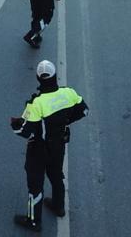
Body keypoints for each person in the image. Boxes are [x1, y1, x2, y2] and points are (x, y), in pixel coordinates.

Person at [11, 60, 89, 231]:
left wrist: (15, 124)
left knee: (35, 186)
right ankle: (58, 206)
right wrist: (66, 121)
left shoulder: (36, 103)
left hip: (38, 151)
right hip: (58, 146)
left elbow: (25, 132)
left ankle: (33, 221)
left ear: (38, 78)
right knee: (56, 175)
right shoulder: (68, 93)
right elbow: (84, 110)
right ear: (54, 76)